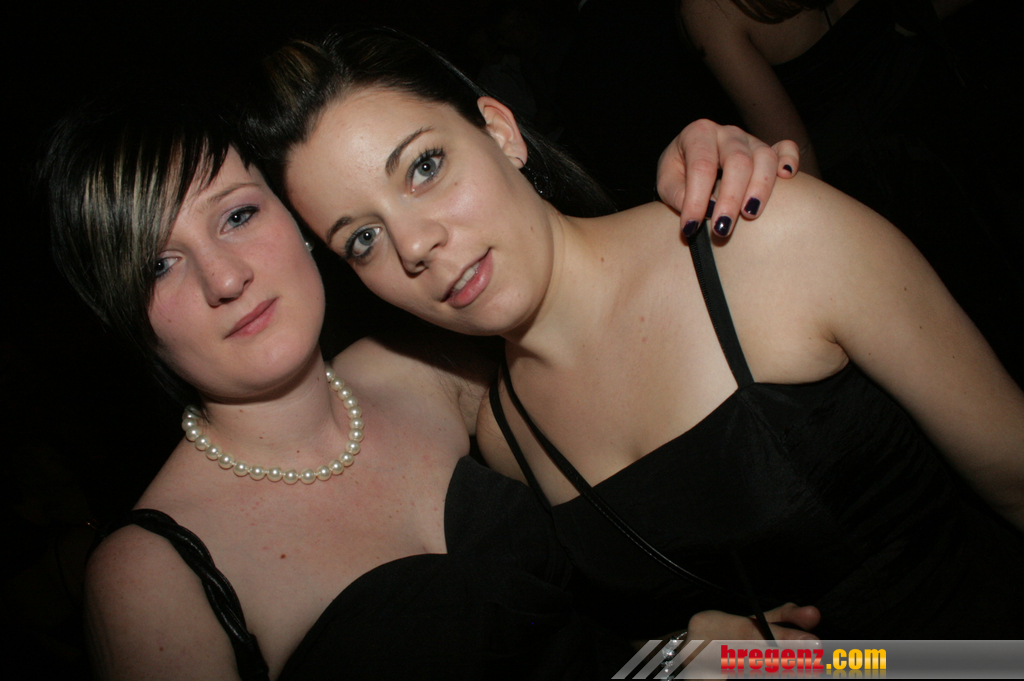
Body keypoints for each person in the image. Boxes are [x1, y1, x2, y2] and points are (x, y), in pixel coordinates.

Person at [253, 28, 1024, 640]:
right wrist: (688, 654)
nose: (415, 244)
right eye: (362, 239)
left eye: (424, 167)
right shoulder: (509, 438)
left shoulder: (766, 242)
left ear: (501, 132)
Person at [39, 88, 808, 679]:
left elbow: (604, 301)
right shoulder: (152, 574)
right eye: (158, 265)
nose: (225, 277)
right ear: (126, 317)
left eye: (236, 216)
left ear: (300, 218)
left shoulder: (437, 364)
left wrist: (702, 178)